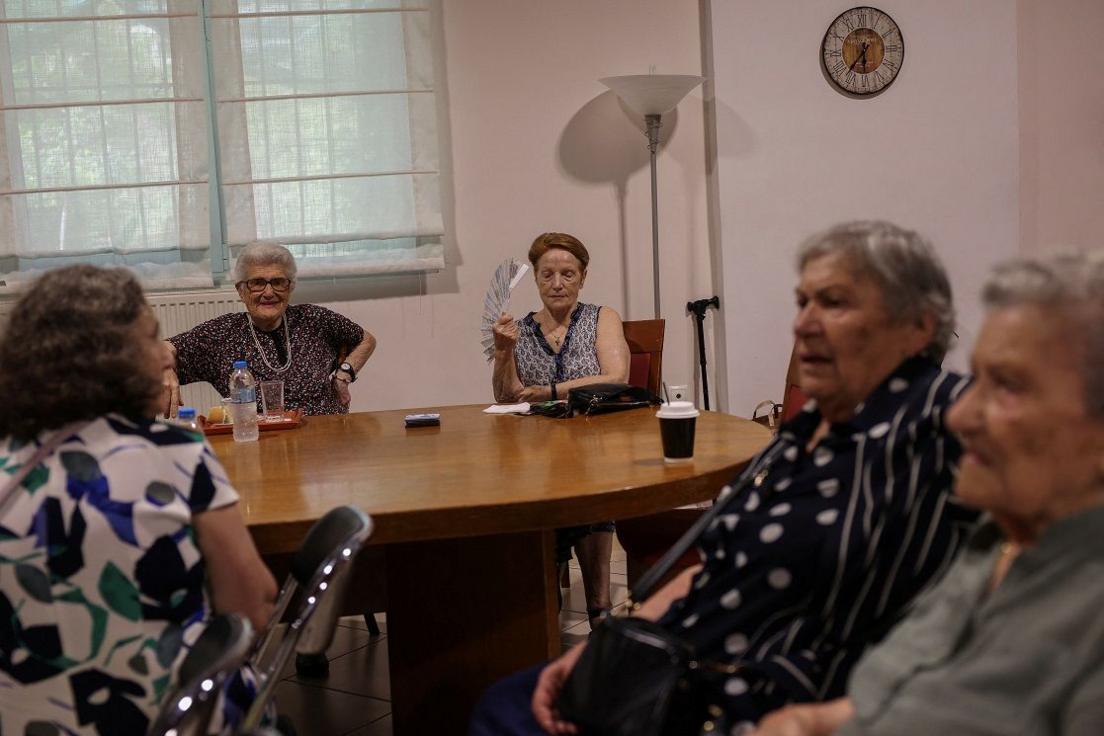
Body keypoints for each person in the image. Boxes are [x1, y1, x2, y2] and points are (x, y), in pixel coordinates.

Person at [470, 221, 980, 735]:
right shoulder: (812, 427)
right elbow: (716, 564)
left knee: (511, 718)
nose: (803, 324)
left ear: (915, 327)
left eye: (834, 305)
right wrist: (610, 644)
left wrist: (830, 718)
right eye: (803, 303)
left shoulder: (944, 426)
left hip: (759, 689)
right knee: (505, 700)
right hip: (687, 650)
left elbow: (984, 620)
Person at [755, 251, 1104, 736]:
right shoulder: (997, 537)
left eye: (1006, 386)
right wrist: (810, 720)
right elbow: (902, 697)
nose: (960, 415)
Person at [0, 265, 277, 734]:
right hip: (169, 715)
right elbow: (252, 607)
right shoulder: (174, 453)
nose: (166, 358)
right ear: (119, 359)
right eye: (153, 340)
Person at [491, 232, 631, 628]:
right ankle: (545, 601)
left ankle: (598, 604)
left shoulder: (601, 317)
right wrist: (503, 351)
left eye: (567, 274)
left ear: (582, 278)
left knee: (588, 487)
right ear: (535, 279)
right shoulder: (518, 329)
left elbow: (617, 377)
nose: (557, 283)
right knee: (538, 489)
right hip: (537, 448)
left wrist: (546, 391)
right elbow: (505, 396)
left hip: (595, 440)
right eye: (547, 274)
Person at [163, 241, 377, 416]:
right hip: (259, 441)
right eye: (257, 282)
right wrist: (163, 367)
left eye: (278, 282)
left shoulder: (314, 319)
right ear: (241, 290)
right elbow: (160, 348)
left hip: (327, 439)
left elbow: (365, 340)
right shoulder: (222, 334)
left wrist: (344, 374)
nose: (268, 292)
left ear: (290, 287)